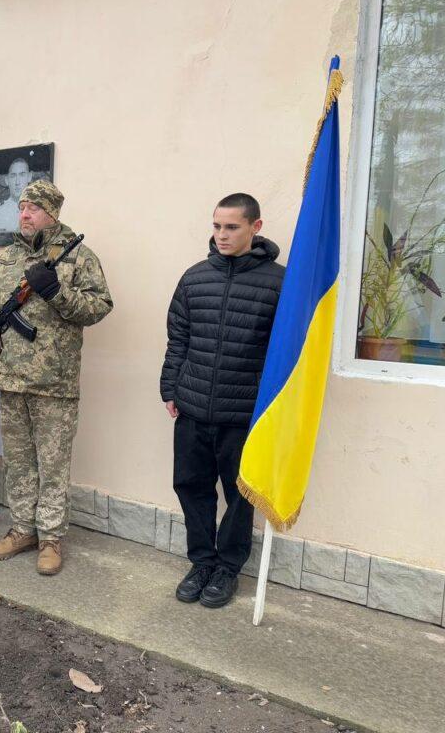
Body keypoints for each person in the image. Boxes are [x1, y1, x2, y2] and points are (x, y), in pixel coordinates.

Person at [0, 179, 112, 576]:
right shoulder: (5, 258)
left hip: (54, 382)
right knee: (18, 462)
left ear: (52, 213)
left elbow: (99, 307)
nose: (25, 214)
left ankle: (50, 538)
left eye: (33, 208)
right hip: (10, 378)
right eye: (22, 207)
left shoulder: (78, 257)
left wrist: (58, 294)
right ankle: (21, 530)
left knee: (53, 464)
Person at [160, 193, 284, 608]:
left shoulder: (279, 283)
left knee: (238, 494)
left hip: (243, 414)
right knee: (191, 486)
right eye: (216, 226)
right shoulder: (195, 278)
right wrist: (170, 388)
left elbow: (285, 353)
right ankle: (201, 561)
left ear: (256, 227)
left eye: (231, 227)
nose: (222, 235)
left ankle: (227, 567)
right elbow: (179, 338)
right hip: (193, 407)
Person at [0, 157, 32, 233]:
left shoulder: (37, 209)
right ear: (7, 180)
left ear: (29, 177)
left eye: (22, 175)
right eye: (13, 176)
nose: (17, 182)